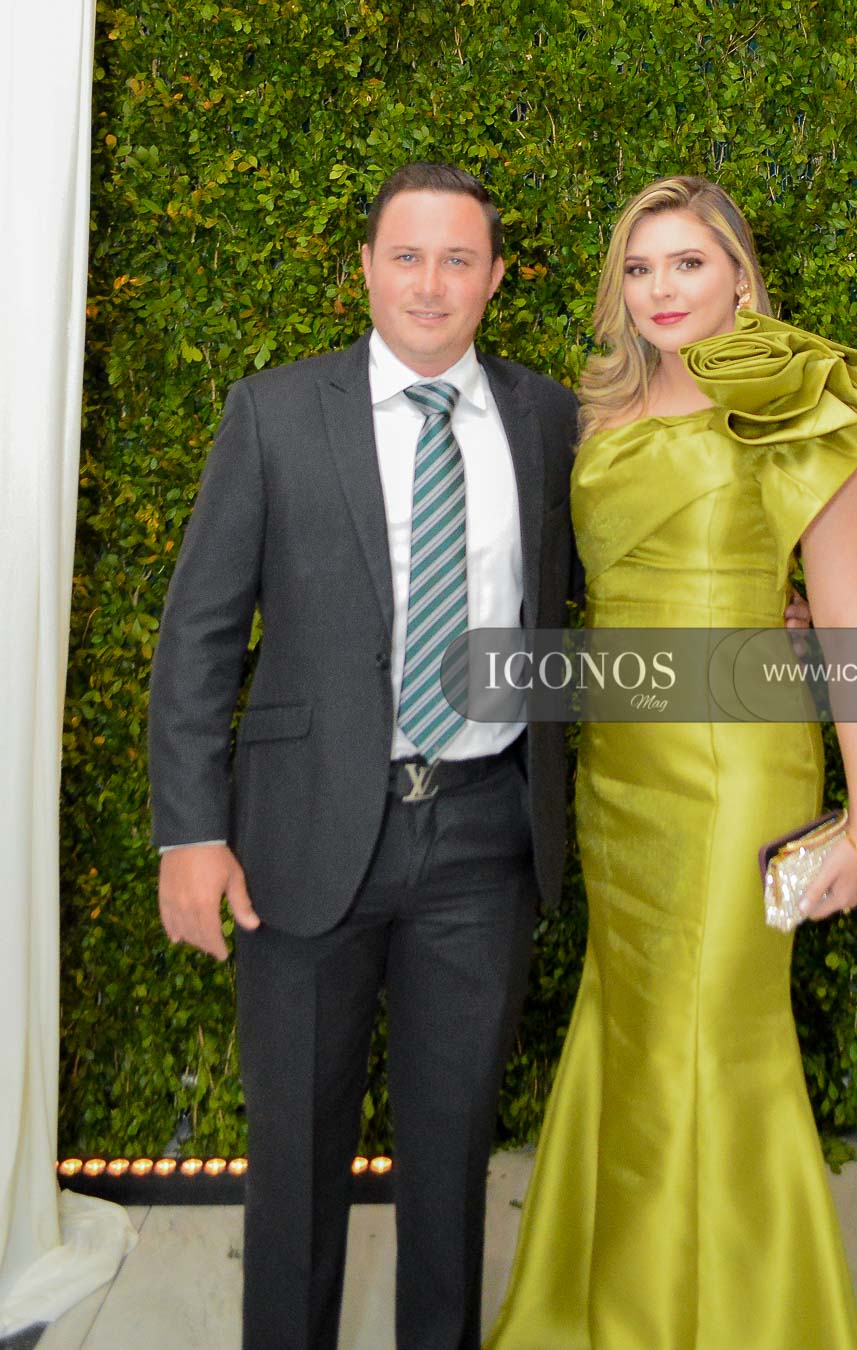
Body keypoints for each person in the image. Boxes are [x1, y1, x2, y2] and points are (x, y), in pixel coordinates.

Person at [148, 162, 581, 1350]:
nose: (431, 284)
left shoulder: (550, 420)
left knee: (452, 1154)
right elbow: (198, 636)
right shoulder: (275, 413)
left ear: (496, 277)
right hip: (301, 835)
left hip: (486, 836)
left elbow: (597, 599)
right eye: (407, 256)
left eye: (458, 259)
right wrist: (191, 832)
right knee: (293, 1161)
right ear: (366, 270)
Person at [486, 177, 857, 1349]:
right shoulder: (596, 412)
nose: (661, 290)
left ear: (739, 274)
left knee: (715, 1037)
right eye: (639, 268)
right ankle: (598, 1309)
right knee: (631, 1023)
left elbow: (850, 629)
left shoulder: (799, 408)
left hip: (737, 774)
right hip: (616, 777)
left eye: (688, 263)